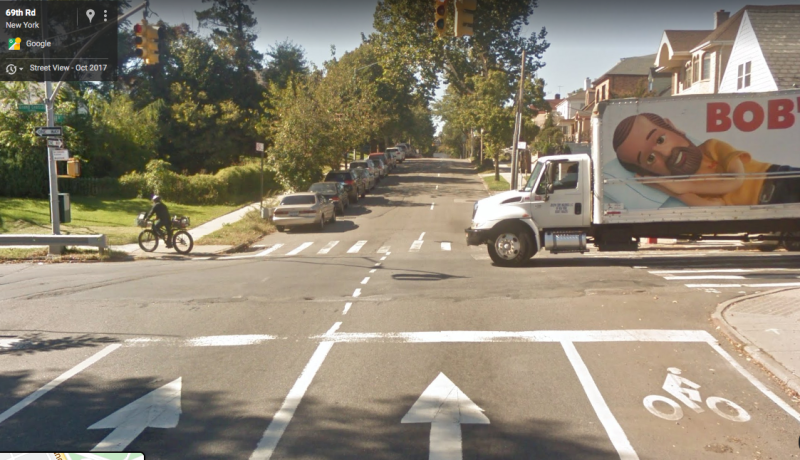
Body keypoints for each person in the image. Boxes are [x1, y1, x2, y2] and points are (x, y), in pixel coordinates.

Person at [612, 112, 800, 206]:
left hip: (779, 178)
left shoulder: (712, 146)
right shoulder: (686, 185)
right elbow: (712, 209)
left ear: (673, 127)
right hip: (764, 205)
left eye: (660, 139)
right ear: (648, 172)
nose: (665, 153)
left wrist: (685, 187)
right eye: (650, 159)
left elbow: (736, 180)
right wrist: (667, 188)